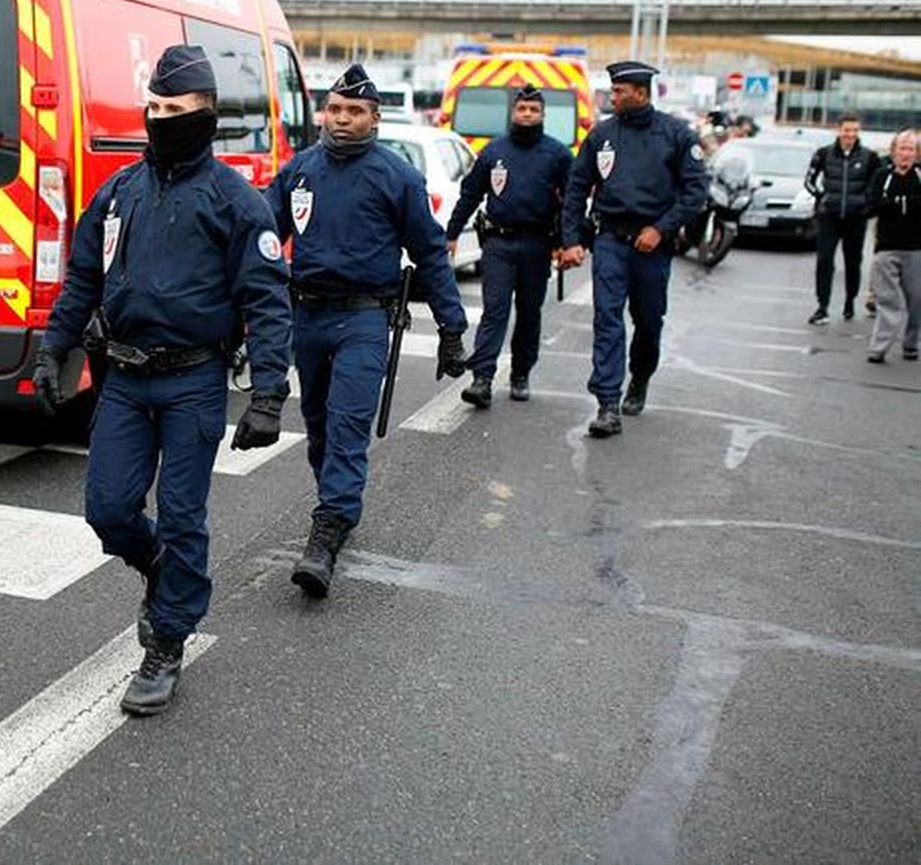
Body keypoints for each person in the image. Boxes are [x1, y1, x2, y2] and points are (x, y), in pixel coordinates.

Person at [32, 45, 291, 716]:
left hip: (192, 381)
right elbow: (84, 278)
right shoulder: (119, 192)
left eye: (175, 110)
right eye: (153, 107)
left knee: (182, 516)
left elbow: (266, 298)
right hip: (123, 374)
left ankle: (167, 642)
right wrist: (51, 348)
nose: (160, 118)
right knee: (108, 509)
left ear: (206, 115)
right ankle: (156, 569)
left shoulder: (236, 202)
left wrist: (268, 393)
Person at [265, 64, 468, 597]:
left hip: (364, 319)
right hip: (306, 316)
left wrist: (451, 327)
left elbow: (428, 253)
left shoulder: (395, 176)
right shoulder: (298, 171)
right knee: (318, 426)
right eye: (334, 109)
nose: (342, 119)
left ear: (374, 119)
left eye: (354, 111)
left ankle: (327, 530)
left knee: (348, 422)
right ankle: (335, 503)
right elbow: (263, 239)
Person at [558, 61, 708, 438]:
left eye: (620, 91)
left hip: (651, 247)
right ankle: (607, 403)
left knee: (648, 322)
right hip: (609, 240)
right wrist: (572, 239)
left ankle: (639, 378)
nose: (613, 96)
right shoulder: (602, 135)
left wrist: (661, 228)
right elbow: (577, 188)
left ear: (641, 93)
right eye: (613, 90)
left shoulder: (676, 134)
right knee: (607, 319)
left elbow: (696, 192)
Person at [446, 85, 571, 408]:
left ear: (543, 115)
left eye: (534, 110)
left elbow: (571, 201)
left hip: (538, 244)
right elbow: (470, 194)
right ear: (513, 112)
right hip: (499, 243)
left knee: (529, 314)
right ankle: (482, 379)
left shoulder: (557, 154)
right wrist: (452, 233)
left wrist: (568, 242)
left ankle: (520, 373)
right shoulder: (493, 151)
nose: (527, 114)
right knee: (495, 310)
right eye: (522, 109)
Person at [803, 113, 881, 324]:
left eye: (855, 130)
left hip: (856, 218)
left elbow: (876, 185)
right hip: (829, 216)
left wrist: (866, 205)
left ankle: (849, 301)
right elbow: (809, 181)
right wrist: (822, 197)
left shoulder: (869, 157)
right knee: (824, 260)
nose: (851, 135)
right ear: (838, 130)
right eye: (847, 130)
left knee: (853, 262)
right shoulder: (824, 153)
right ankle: (822, 306)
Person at [865, 129, 919, 363]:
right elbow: (873, 205)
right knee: (889, 300)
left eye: (911, 149)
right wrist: (906, 204)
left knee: (917, 300)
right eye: (902, 148)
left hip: (916, 248)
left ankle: (910, 344)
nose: (906, 153)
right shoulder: (882, 176)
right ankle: (878, 348)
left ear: (917, 153)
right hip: (886, 247)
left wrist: (897, 203)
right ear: (893, 151)